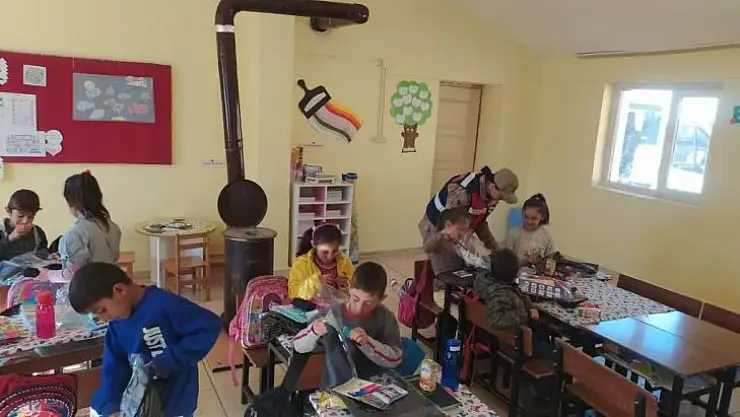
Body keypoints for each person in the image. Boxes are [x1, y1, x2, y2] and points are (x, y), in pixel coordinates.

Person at [69, 262, 221, 417]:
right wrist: (111, 406)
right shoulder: (116, 326)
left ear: (119, 290)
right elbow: (113, 370)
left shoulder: (164, 304)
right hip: (141, 408)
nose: (104, 318)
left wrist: (169, 359)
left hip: (176, 405)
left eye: (102, 310)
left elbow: (209, 326)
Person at [293, 261, 402, 388]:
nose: (359, 308)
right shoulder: (331, 314)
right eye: (355, 298)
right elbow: (298, 345)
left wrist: (368, 343)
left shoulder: (385, 317)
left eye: (368, 303)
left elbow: (396, 359)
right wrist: (313, 331)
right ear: (349, 287)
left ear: (381, 299)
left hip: (376, 387)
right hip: (337, 389)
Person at [419, 166, 519, 268]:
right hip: (437, 224)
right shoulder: (463, 190)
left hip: (457, 228)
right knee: (443, 265)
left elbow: (480, 221)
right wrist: (462, 237)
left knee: (459, 263)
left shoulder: (492, 197)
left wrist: (493, 246)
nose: (500, 200)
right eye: (501, 196)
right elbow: (450, 222)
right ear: (492, 186)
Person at [55, 171, 122, 280]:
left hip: (88, 288)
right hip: (111, 284)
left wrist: (49, 274)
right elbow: (114, 257)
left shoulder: (74, 234)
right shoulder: (114, 227)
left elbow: (73, 274)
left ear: (71, 202)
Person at [289, 223, 354, 301]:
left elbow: (356, 291)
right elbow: (293, 294)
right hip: (312, 306)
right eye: (325, 252)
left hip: (338, 305)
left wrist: (345, 286)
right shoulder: (301, 264)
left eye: (335, 251)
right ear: (313, 244)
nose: (330, 257)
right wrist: (316, 283)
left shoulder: (345, 262)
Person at [505, 194, 555, 265]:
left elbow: (551, 257)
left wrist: (541, 261)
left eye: (534, 218)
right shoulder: (513, 233)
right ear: (522, 214)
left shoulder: (545, 233)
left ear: (542, 217)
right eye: (526, 217)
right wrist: (523, 260)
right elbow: (507, 259)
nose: (529, 221)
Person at [0, 189, 48, 261]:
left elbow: (42, 250)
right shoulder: (1, 230)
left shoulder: (37, 232)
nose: (25, 221)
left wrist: (48, 256)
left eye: (31, 217)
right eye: (20, 216)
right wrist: (10, 238)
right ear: (9, 212)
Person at [421, 206, 471, 274]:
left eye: (465, 230)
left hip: (460, 272)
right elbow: (426, 248)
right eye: (460, 229)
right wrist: (442, 233)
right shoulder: (439, 239)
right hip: (443, 274)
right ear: (448, 225)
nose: (462, 233)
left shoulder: (458, 241)